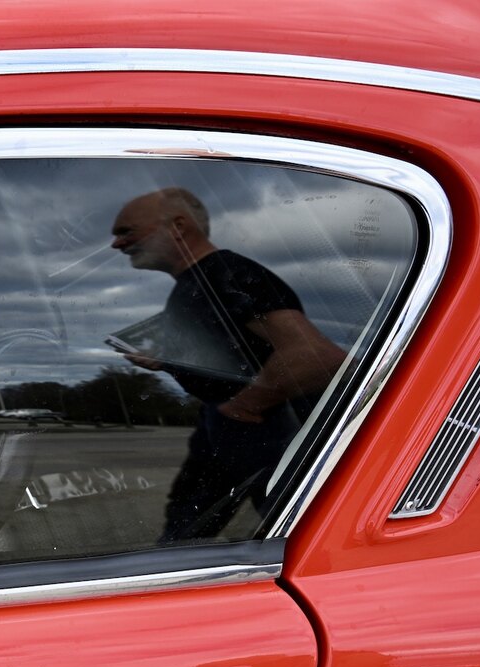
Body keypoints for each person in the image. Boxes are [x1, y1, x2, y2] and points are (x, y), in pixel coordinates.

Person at [109, 187, 345, 541]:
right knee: (187, 527)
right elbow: (239, 356)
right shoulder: (194, 284)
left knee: (303, 535)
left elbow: (316, 357)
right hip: (225, 426)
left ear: (178, 226)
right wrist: (169, 362)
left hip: (264, 429)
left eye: (126, 231)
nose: (117, 244)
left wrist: (243, 407)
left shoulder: (223, 274)